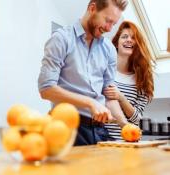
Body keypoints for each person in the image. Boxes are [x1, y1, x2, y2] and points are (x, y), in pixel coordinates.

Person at [38, 0, 128, 145]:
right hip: (66, 129)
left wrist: (125, 125)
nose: (109, 28)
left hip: (99, 130)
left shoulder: (109, 49)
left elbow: (109, 95)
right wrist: (90, 103)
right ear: (92, 8)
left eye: (113, 24)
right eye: (107, 20)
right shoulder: (61, 39)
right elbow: (46, 89)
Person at [103, 21, 155, 140]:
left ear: (137, 44)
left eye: (133, 38)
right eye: (124, 37)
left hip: (129, 141)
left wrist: (121, 97)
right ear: (116, 43)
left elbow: (137, 119)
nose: (129, 40)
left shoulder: (142, 79)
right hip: (103, 139)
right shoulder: (105, 71)